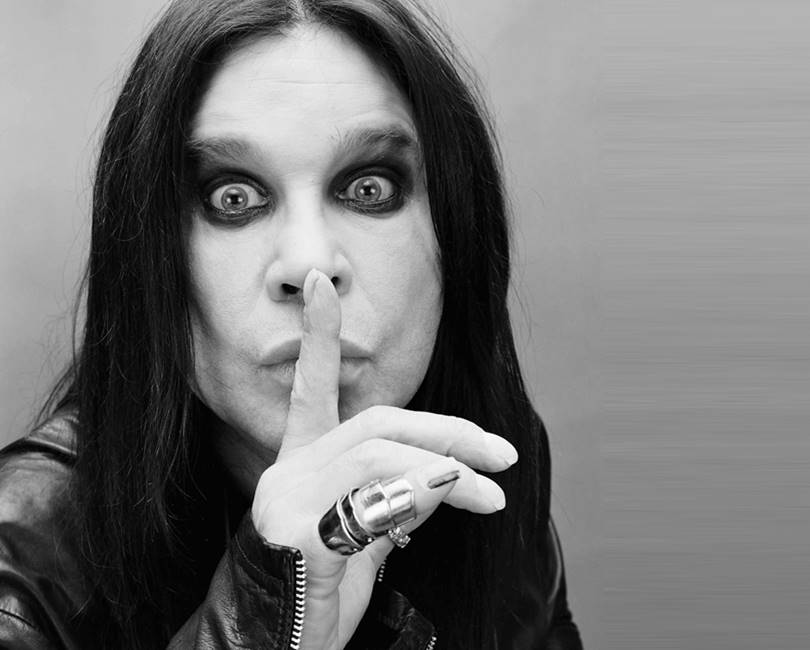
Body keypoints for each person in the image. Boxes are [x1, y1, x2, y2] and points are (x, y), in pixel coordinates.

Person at [0, 0, 583, 648]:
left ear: (458, 237)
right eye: (234, 198)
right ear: (147, 260)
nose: (309, 264)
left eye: (370, 188)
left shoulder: (487, 462)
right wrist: (265, 623)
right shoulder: (19, 579)